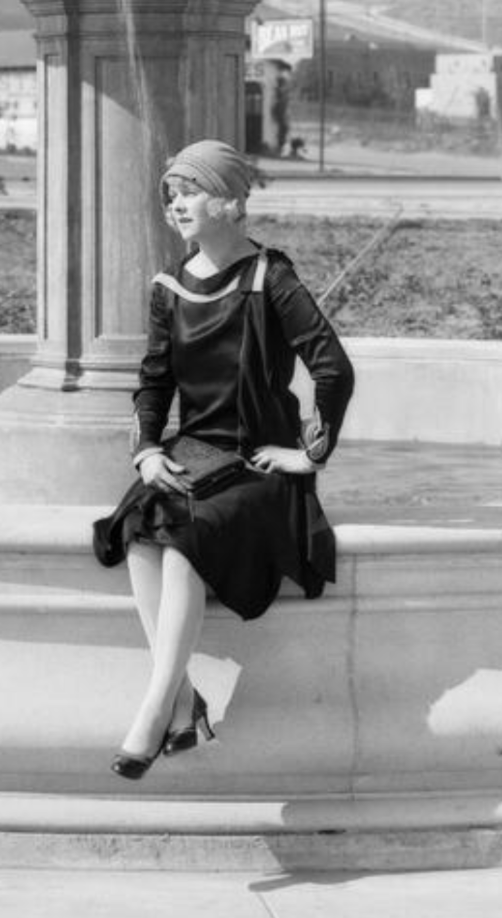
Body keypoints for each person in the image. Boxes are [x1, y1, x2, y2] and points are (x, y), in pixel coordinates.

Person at [90, 139, 354, 778]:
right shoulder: (169, 287)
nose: (176, 204)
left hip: (257, 467)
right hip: (188, 455)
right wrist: (148, 451)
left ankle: (157, 707)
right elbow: (154, 383)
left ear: (230, 201)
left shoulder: (272, 277)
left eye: (190, 191)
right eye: (171, 194)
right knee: (138, 532)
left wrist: (308, 456)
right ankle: (184, 698)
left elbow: (332, 368)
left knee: (186, 538)